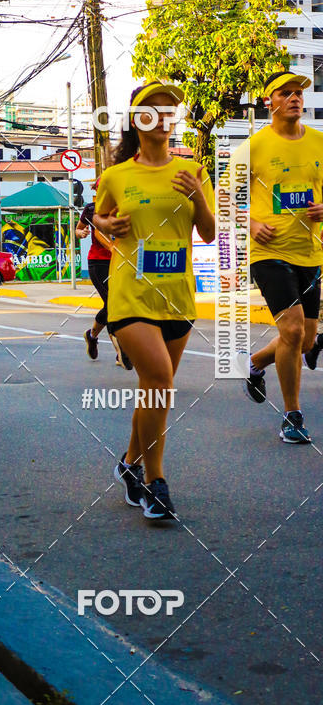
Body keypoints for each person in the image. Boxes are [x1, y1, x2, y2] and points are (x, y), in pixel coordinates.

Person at [94, 81, 215, 521]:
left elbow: (208, 232)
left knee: (154, 390)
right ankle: (155, 481)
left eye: (170, 111)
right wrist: (109, 224)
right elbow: (99, 220)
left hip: (178, 298)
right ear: (136, 118)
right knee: (161, 378)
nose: (163, 118)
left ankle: (128, 463)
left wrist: (197, 196)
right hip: (130, 295)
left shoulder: (194, 171)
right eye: (153, 110)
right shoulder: (117, 175)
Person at [243, 70, 323, 444]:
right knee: (290, 329)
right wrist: (252, 223)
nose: (295, 98)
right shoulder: (252, 148)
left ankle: (257, 362)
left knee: (305, 340)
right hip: (269, 251)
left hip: (310, 252)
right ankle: (292, 415)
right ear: (268, 100)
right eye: (286, 93)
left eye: (299, 93)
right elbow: (227, 200)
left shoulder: (319, 142)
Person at [76, 180, 132, 369]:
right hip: (98, 262)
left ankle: (91, 336)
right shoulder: (91, 209)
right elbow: (78, 228)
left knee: (115, 304)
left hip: (121, 263)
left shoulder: (124, 207)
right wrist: (81, 233)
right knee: (112, 304)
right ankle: (120, 352)